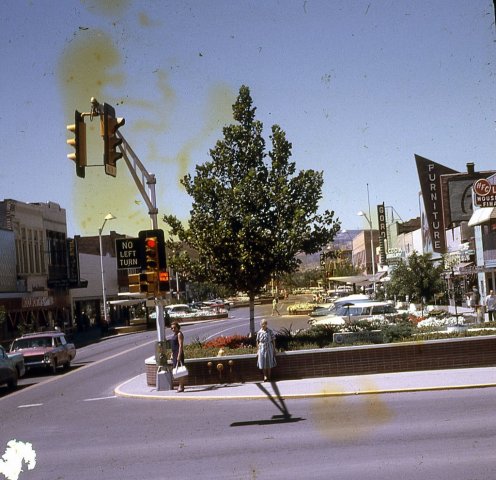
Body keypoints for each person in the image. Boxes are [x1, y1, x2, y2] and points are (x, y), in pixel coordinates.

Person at [170, 321, 185, 392]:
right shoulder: (174, 334)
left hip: (178, 354)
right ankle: (180, 385)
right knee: (177, 370)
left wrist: (179, 355)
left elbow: (180, 345)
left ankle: (181, 386)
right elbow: (173, 346)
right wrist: (172, 354)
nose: (173, 329)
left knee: (180, 370)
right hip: (175, 353)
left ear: (177, 327)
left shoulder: (179, 334)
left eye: (174, 327)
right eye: (171, 328)